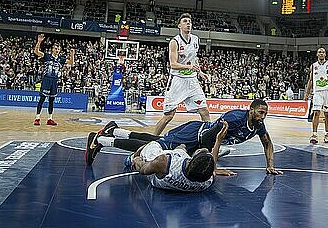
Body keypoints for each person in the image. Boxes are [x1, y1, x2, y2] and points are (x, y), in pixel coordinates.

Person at [88, 99, 283, 176]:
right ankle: (101, 141)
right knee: (153, 147)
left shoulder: (258, 125)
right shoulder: (233, 118)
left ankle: (114, 131)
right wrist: (212, 168)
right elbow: (210, 140)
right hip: (194, 136)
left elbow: (268, 144)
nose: (263, 116)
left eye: (265, 113)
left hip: (196, 139)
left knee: (153, 142)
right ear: (250, 110)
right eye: (260, 112)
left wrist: (270, 164)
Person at [85, 121, 229, 192]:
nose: (204, 150)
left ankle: (100, 140)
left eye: (201, 152)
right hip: (178, 161)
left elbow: (144, 169)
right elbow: (212, 167)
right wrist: (218, 141)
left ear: (191, 159)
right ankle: (115, 130)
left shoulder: (164, 162)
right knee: (163, 140)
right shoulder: (205, 182)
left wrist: (135, 160)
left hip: (154, 163)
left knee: (152, 143)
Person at [153, 13, 210, 135]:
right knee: (169, 115)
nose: (188, 23)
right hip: (177, 80)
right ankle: (150, 140)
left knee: (204, 111)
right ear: (179, 25)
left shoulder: (196, 39)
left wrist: (200, 72)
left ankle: (209, 140)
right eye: (185, 21)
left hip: (192, 80)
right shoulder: (175, 42)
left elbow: (194, 59)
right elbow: (173, 64)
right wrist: (189, 66)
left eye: (189, 21)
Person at [33, 34, 74, 126]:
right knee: (42, 99)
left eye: (58, 49)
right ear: (52, 49)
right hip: (47, 79)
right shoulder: (47, 56)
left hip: (54, 80)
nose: (57, 50)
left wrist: (72, 54)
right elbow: (36, 52)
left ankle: (50, 119)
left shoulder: (61, 59)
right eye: (55, 48)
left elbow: (71, 63)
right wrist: (39, 41)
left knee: (52, 100)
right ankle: (37, 118)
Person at [305, 47, 328, 144]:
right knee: (316, 112)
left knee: (327, 114)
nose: (321, 53)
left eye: (323, 52)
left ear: (325, 54)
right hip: (317, 91)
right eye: (319, 52)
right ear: (317, 54)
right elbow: (310, 80)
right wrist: (307, 93)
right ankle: (314, 134)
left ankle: (327, 134)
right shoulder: (313, 66)